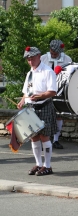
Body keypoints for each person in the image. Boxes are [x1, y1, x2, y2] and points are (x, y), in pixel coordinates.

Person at [17, 46, 57, 176]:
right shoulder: (30, 73)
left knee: (44, 136)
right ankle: (38, 164)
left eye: (32, 58)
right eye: (28, 59)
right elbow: (26, 92)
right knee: (33, 137)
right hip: (31, 108)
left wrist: (40, 96)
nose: (30, 61)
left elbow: (52, 92)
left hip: (44, 106)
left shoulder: (47, 71)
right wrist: (23, 100)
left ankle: (48, 166)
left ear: (39, 56)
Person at [41, 39, 72, 149]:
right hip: (45, 90)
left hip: (59, 90)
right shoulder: (43, 58)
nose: (53, 53)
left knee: (58, 116)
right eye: (52, 51)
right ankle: (44, 139)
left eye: (56, 52)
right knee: (44, 115)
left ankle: (56, 140)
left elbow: (69, 74)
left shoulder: (67, 59)